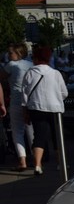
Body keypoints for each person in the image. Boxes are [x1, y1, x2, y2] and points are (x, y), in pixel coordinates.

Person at [21, 45, 68, 176]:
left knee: (39, 137)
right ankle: (61, 163)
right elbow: (64, 93)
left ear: (36, 58)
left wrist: (25, 111)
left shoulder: (30, 73)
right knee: (57, 136)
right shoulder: (56, 73)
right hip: (55, 109)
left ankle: (37, 165)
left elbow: (24, 94)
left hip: (36, 107)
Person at [1, 42, 34, 171]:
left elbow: (1, 77)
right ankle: (36, 159)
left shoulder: (11, 65)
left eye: (10, 53)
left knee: (17, 132)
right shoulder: (30, 65)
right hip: (30, 101)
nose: (8, 55)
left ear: (18, 53)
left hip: (16, 102)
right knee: (31, 131)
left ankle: (22, 161)